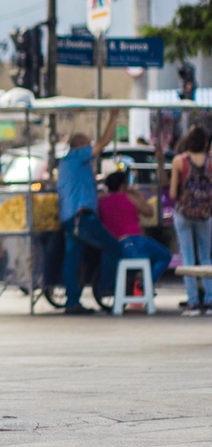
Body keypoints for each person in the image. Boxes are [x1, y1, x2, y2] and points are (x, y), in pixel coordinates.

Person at [56, 112, 121, 315]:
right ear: (81, 147)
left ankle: (72, 301)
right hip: (81, 218)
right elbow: (104, 142)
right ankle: (105, 286)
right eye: (88, 144)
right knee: (113, 247)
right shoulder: (77, 156)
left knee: (73, 258)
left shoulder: (68, 162)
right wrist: (113, 118)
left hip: (70, 218)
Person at [98, 171, 172, 286]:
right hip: (133, 243)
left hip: (115, 245)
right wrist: (138, 195)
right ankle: (145, 284)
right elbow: (149, 212)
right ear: (123, 185)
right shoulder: (129, 197)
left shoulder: (102, 200)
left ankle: (134, 284)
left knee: (133, 264)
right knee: (164, 256)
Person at [169, 125, 212, 315]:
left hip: (184, 214)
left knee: (187, 258)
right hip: (205, 214)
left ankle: (193, 302)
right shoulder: (211, 162)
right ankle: (210, 300)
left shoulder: (179, 161)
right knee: (205, 258)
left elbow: (172, 192)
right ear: (205, 143)